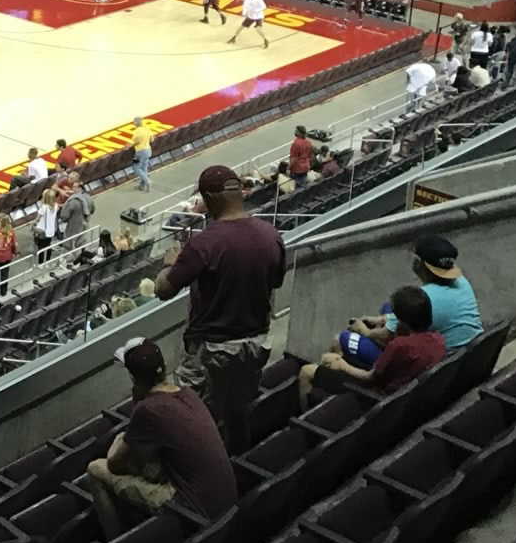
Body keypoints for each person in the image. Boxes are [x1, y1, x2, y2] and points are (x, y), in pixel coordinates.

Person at [154, 163, 286, 454]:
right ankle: (238, 466)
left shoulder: (204, 244)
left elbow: (163, 290)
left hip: (211, 349)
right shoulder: (271, 235)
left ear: (210, 198)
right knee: (237, 414)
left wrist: (169, 265)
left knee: (194, 419)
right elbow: (275, 282)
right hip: (255, 343)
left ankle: (200, 479)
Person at [86, 339, 238, 538]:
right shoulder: (188, 394)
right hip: (228, 501)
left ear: (133, 378)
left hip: (195, 510)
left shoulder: (147, 410)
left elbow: (114, 464)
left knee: (96, 469)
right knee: (148, 466)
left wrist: (120, 438)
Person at [299, 284, 445, 405]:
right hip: (406, 393)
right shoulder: (439, 340)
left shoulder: (400, 345)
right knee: (333, 357)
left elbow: (369, 378)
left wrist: (342, 366)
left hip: (376, 396)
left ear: (405, 323)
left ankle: (306, 418)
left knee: (308, 371)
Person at [349, 235, 483, 352]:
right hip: (471, 353)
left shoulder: (424, 298)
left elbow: (387, 337)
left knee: (344, 339)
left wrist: (364, 331)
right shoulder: (462, 282)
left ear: (418, 263)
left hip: (443, 362)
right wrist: (382, 319)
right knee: (389, 308)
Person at [57, 180, 95, 245]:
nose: (73, 188)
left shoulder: (72, 201)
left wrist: (61, 220)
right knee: (82, 240)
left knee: (69, 243)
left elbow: (64, 215)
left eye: (75, 187)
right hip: (84, 224)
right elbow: (92, 210)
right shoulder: (88, 198)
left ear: (80, 188)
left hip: (73, 226)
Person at [288, 126, 315, 190]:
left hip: (297, 168)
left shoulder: (296, 144)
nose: (295, 132)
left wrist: (288, 167)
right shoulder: (308, 143)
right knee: (302, 185)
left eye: (296, 131)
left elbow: (294, 158)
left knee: (295, 187)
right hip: (306, 166)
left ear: (300, 133)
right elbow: (310, 155)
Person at [130, 117, 154, 192]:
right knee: (144, 168)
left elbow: (137, 141)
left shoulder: (137, 131)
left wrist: (131, 145)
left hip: (140, 153)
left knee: (135, 167)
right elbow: (152, 139)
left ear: (135, 123)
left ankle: (148, 181)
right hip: (148, 151)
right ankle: (142, 186)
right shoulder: (147, 129)